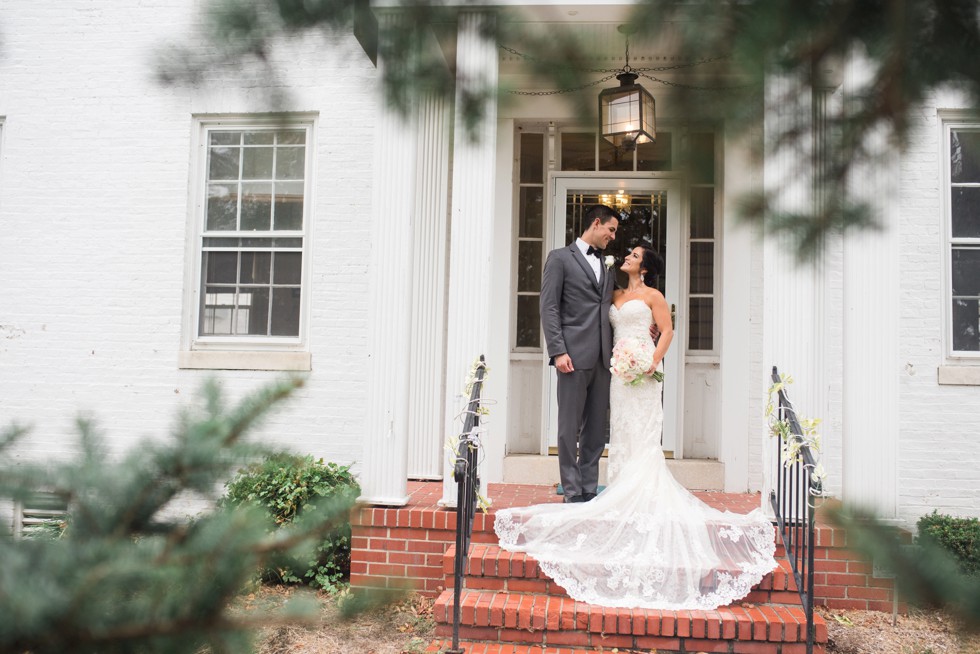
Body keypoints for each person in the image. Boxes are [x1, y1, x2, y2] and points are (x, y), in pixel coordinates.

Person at [494, 245, 777, 610]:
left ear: (645, 265)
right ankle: (619, 488)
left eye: (634, 253)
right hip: (617, 372)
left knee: (642, 431)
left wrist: (650, 361)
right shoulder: (612, 293)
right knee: (621, 430)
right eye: (626, 251)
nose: (627, 254)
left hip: (643, 372)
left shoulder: (653, 295)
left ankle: (641, 491)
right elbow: (600, 319)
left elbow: (668, 331)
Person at [539, 204, 619, 504]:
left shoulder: (608, 264)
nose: (612, 237)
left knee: (596, 430)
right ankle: (572, 492)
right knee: (568, 427)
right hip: (571, 355)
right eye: (610, 230)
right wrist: (558, 350)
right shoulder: (560, 258)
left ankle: (588, 489)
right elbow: (549, 307)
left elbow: (616, 301)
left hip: (602, 358)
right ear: (596, 224)